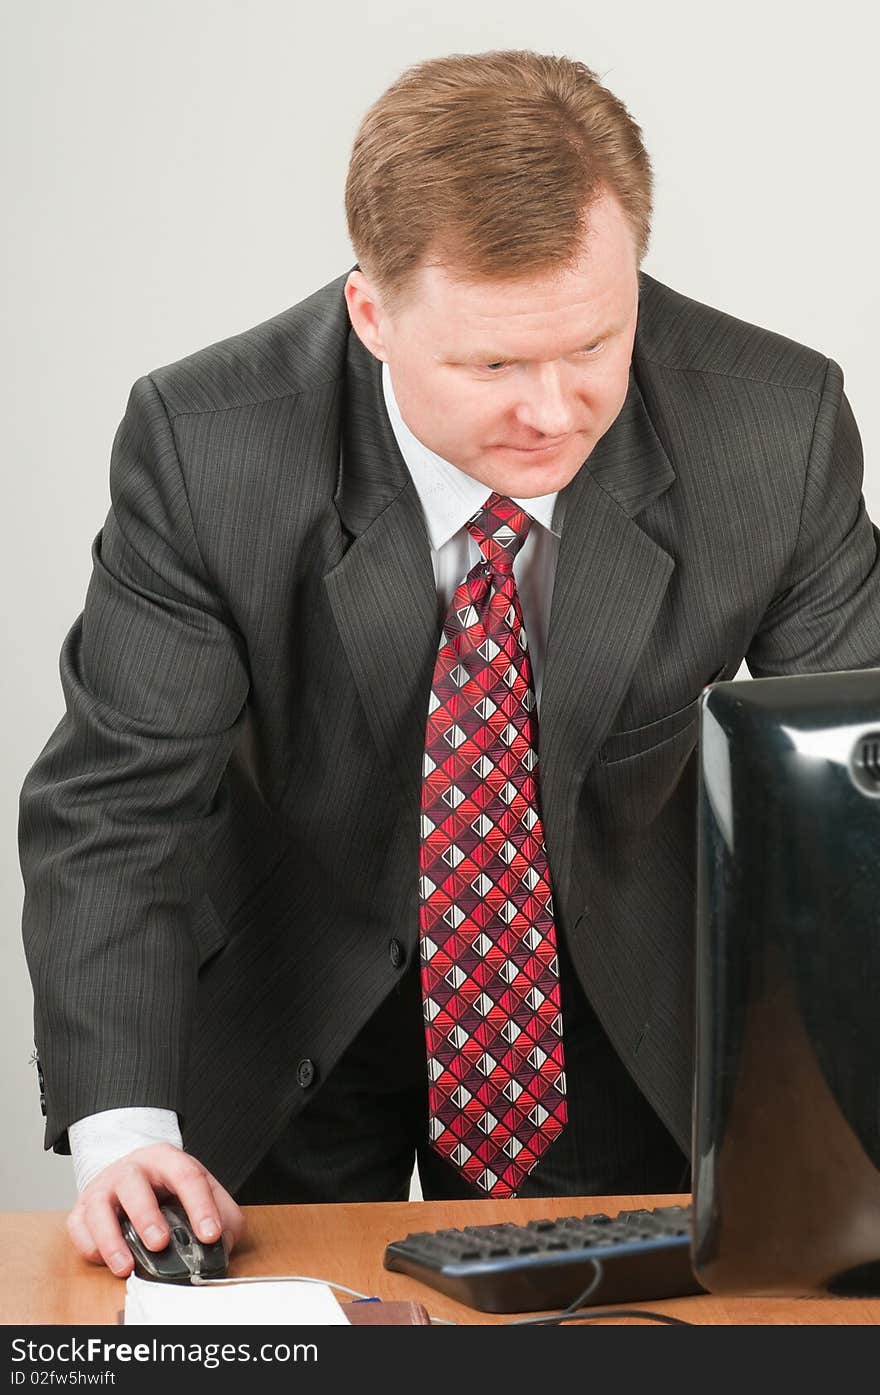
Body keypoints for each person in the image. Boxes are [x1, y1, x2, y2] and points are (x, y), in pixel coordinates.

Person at [19, 48, 880, 1279]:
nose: (552, 410)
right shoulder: (209, 446)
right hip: (294, 978)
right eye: (489, 365)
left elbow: (856, 796)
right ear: (371, 314)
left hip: (609, 980)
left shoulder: (771, 425)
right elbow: (113, 806)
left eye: (593, 344)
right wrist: (122, 1135)